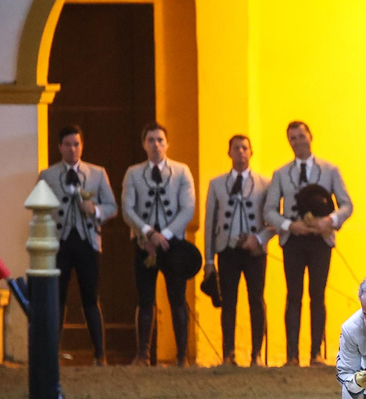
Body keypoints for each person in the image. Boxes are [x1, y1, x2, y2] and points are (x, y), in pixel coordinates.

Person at [262, 121, 352, 367]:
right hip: (294, 240)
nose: (298, 141)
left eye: (301, 136)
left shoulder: (330, 170)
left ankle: (315, 354)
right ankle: (292, 355)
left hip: (321, 240)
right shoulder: (281, 174)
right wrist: (290, 225)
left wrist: (330, 221)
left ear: (310, 137)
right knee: (293, 295)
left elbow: (347, 204)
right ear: (289, 142)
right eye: (293, 138)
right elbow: (269, 210)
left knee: (317, 295)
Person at [37, 125, 117, 365]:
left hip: (87, 242)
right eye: (68, 144)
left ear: (82, 146)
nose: (73, 149)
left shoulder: (97, 173)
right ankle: (52, 353)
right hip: (59, 243)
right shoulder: (47, 175)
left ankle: (100, 354)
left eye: (77, 144)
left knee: (90, 298)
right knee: (57, 298)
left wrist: (95, 209)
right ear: (60, 146)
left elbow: (112, 207)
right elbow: (38, 210)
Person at [121, 122, 197, 366]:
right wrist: (147, 233)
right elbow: (127, 208)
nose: (156, 144)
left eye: (160, 140)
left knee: (177, 298)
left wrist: (163, 235)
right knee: (145, 298)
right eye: (151, 140)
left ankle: (181, 356)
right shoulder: (133, 173)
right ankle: (143, 354)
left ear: (167, 143)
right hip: (144, 244)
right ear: (144, 144)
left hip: (172, 245)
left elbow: (188, 209)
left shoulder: (182, 171)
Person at [203, 134, 273, 366]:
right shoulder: (216, 184)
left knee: (256, 300)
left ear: (251, 152)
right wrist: (209, 260)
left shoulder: (265, 183)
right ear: (229, 152)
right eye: (236, 148)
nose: (241, 152)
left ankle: (257, 355)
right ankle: (228, 354)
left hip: (255, 252)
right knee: (228, 302)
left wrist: (260, 239)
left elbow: (273, 220)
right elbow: (210, 224)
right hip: (227, 250)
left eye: (245, 148)